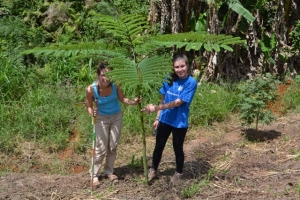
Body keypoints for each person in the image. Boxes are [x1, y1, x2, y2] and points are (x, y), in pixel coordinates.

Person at [141, 54, 197, 184]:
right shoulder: (169, 79)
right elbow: (163, 99)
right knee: (158, 146)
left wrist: (155, 108)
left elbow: (178, 102)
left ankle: (178, 173)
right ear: (173, 68)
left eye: (182, 66)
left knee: (177, 147)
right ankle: (153, 169)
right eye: (177, 67)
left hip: (179, 121)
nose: (180, 69)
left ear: (187, 66)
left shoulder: (191, 82)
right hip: (165, 119)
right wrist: (157, 117)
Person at [85, 61, 140, 187]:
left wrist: (133, 102)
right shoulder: (91, 90)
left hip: (116, 116)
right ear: (98, 75)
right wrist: (92, 112)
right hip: (100, 119)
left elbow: (122, 98)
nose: (106, 78)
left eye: (109, 75)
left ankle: (109, 171)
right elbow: (88, 106)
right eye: (103, 75)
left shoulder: (116, 85)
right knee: (100, 147)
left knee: (113, 145)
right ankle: (93, 175)